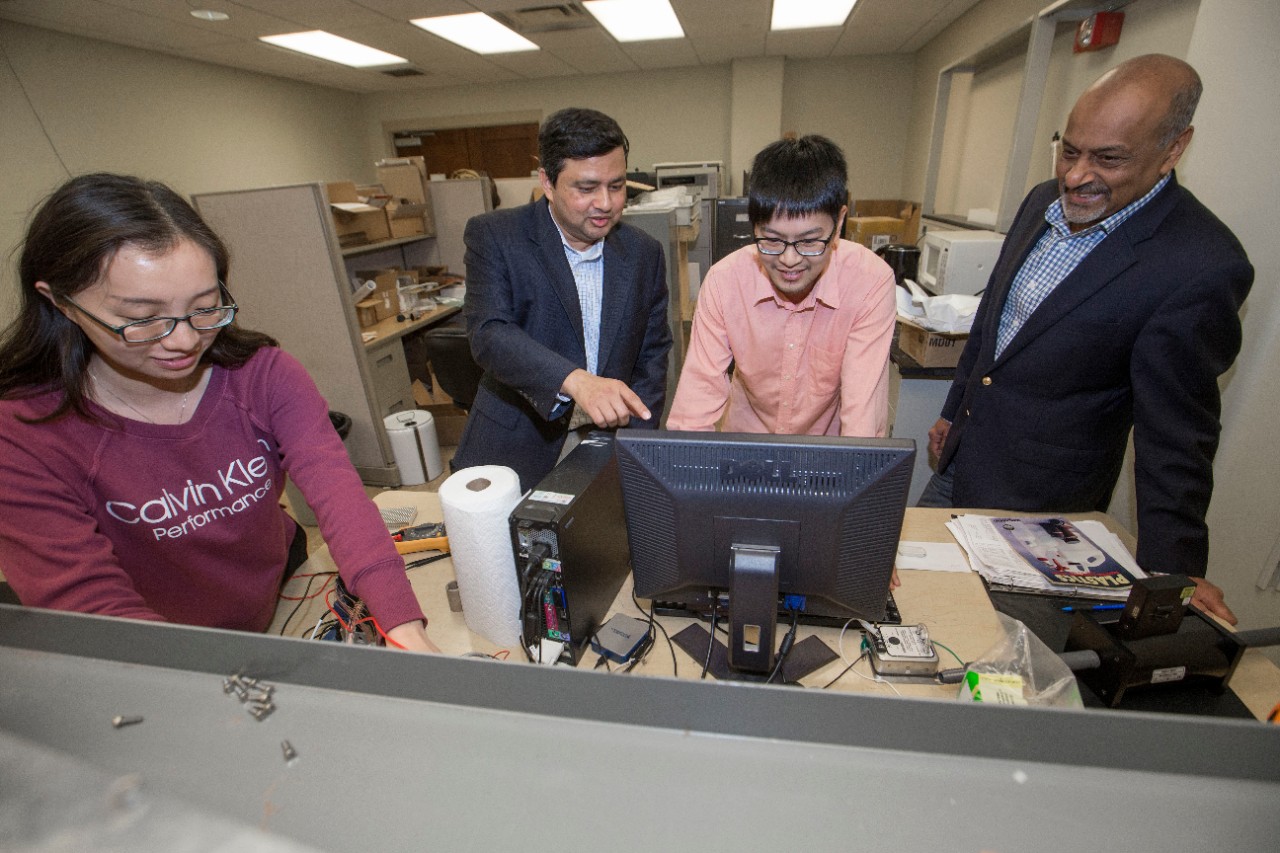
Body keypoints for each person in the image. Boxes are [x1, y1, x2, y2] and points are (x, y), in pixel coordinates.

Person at [0, 173, 438, 652]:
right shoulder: (23, 434)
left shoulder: (263, 374)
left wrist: (403, 626)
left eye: (205, 307)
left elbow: (339, 495)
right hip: (167, 644)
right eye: (143, 318)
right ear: (60, 302)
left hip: (282, 589)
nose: (184, 340)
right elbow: (91, 606)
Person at [920, 55, 1253, 624]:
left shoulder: (1199, 265)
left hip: (1045, 507)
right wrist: (954, 409)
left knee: (1003, 648)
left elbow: (1177, 435)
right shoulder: (1038, 203)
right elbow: (992, 323)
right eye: (1069, 150)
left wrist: (1176, 570)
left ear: (1173, 150)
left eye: (1108, 158)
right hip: (962, 461)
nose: (1076, 176)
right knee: (914, 602)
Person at [451, 107, 671, 490]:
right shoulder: (496, 235)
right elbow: (489, 333)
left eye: (617, 186)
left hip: (608, 443)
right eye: (586, 188)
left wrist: (639, 439)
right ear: (548, 182)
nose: (605, 202)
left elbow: (653, 353)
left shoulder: (643, 252)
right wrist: (575, 381)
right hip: (516, 443)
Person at [665, 135, 896, 437]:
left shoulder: (869, 282)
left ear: (839, 223)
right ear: (754, 226)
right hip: (746, 446)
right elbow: (697, 398)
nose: (789, 259)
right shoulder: (726, 281)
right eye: (771, 240)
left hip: (826, 456)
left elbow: (862, 415)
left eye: (810, 241)